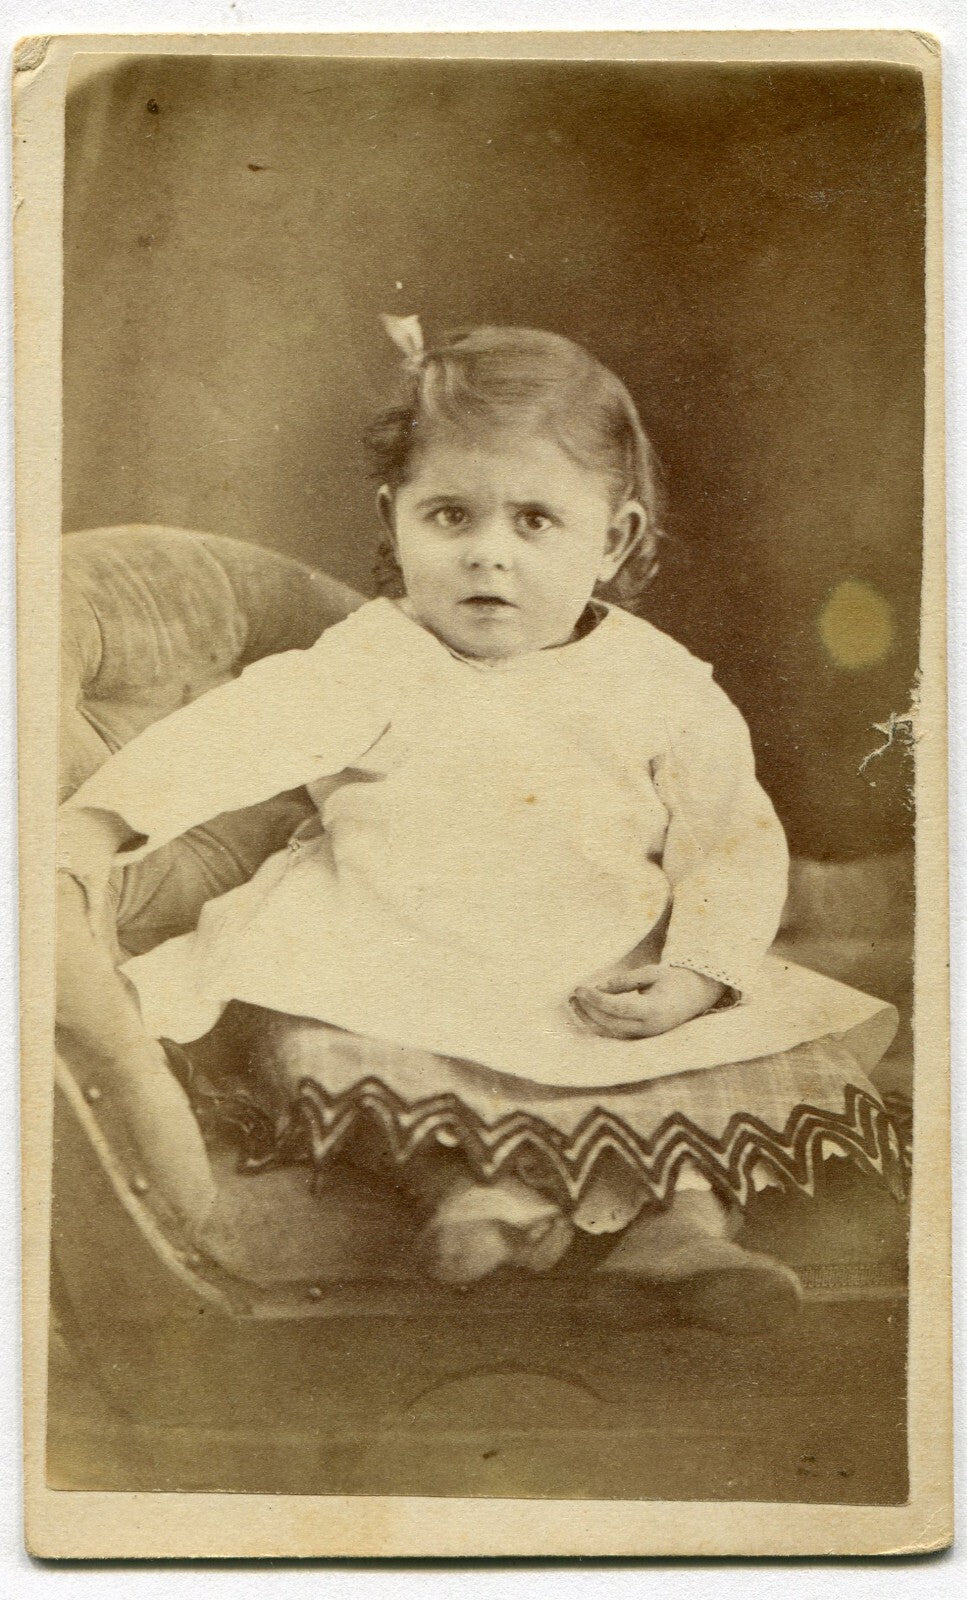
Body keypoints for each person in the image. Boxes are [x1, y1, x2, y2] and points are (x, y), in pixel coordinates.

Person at [57, 319, 903, 1331]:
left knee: (719, 1061)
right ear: (394, 517)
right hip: (401, 968)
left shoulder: (662, 687)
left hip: (592, 974)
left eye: (535, 521)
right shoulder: (372, 657)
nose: (487, 557)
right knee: (311, 1044)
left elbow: (728, 839)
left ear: (616, 537)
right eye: (450, 515)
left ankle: (680, 1224)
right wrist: (102, 822)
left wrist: (694, 972)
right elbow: (239, 732)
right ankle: (463, 1195)